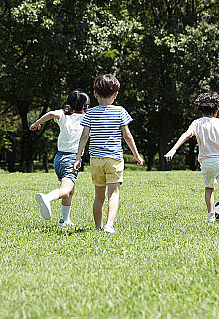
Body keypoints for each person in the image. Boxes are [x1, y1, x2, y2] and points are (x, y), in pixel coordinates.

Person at [73, 74, 143, 233]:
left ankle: (98, 227)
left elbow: (84, 136)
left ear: (95, 94)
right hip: (114, 159)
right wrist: (137, 156)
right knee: (114, 194)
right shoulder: (120, 111)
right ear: (116, 94)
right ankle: (109, 225)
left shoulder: (90, 113)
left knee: (99, 196)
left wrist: (78, 158)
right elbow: (127, 136)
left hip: (96, 160)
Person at [164, 92, 219, 223]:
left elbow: (186, 135)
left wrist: (173, 149)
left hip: (206, 162)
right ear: (218, 108)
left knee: (209, 189)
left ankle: (210, 216)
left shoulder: (197, 123)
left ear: (200, 107)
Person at [30, 90, 90, 227]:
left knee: (70, 189)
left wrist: (36, 124)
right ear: (86, 106)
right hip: (72, 159)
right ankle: (47, 197)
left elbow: (51, 114)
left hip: (59, 158)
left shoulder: (63, 115)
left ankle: (65, 220)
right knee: (66, 190)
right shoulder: (87, 118)